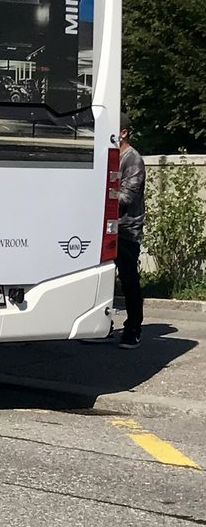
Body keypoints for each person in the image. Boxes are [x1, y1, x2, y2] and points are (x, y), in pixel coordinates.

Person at [116, 112, 146, 349]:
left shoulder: (132, 159)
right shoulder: (110, 156)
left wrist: (99, 200)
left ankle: (133, 328)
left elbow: (126, 196)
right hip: (107, 228)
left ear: (123, 132)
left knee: (129, 280)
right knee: (104, 279)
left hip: (126, 230)